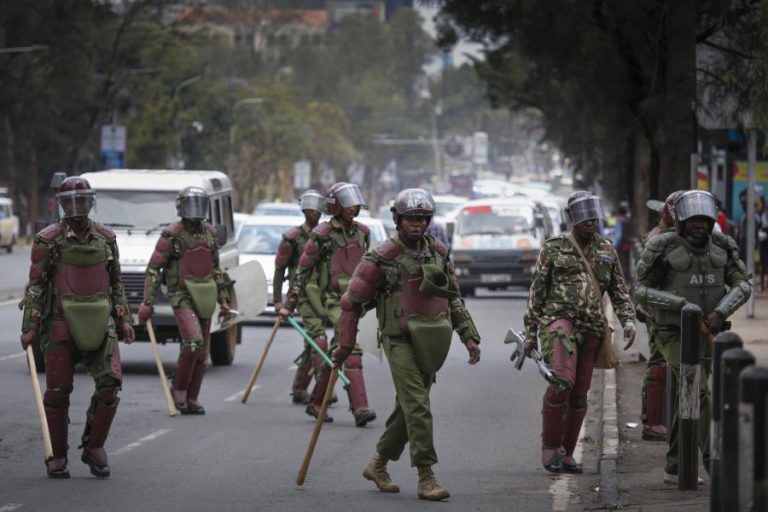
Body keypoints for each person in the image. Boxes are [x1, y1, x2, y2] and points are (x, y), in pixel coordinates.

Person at [332, 188, 481, 501]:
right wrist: (344, 345)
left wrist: (469, 336)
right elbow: (351, 303)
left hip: (432, 339)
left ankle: (378, 464)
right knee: (417, 404)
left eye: (422, 218)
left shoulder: (439, 253)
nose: (417, 224)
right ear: (398, 220)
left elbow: (453, 298)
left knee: (408, 408)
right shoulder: (382, 257)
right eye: (411, 218)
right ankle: (426, 476)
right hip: (398, 338)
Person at [19, 176, 136, 479]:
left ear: (90, 202)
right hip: (59, 322)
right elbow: (35, 286)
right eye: (71, 201)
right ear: (61, 204)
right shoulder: (48, 239)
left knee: (110, 384)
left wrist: (124, 320)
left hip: (101, 320)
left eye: (82, 200)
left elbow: (115, 283)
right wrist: (30, 326)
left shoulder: (106, 238)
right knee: (57, 392)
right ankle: (57, 456)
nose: (77, 206)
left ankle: (94, 446)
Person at [635, 189, 751, 484]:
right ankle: (717, 464)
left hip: (708, 333)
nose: (699, 224)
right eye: (693, 219)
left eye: (705, 219)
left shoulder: (723, 246)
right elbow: (641, 291)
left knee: (687, 399)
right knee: (697, 392)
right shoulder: (661, 247)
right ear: (681, 221)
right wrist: (680, 305)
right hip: (671, 333)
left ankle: (675, 467)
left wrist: (720, 312)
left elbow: (743, 285)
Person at [523, 191, 636, 473]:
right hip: (559, 322)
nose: (590, 220)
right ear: (572, 218)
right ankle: (550, 448)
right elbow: (537, 293)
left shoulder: (606, 250)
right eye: (583, 215)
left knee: (580, 393)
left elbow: (620, 292)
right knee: (562, 380)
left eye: (593, 214)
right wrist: (529, 333)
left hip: (592, 326)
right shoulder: (553, 248)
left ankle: (568, 452)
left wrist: (629, 322)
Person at [278, 182, 376, 426]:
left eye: (354, 203)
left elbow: (366, 268)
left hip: (355, 300)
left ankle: (316, 402)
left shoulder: (362, 232)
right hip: (331, 299)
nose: (352, 207)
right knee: (351, 349)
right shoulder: (321, 235)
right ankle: (360, 408)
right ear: (335, 205)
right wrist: (288, 302)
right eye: (347, 203)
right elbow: (302, 269)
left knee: (337, 353)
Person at [138, 186, 231, 415]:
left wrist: (224, 299)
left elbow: (216, 270)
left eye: (200, 203)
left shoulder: (210, 233)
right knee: (193, 342)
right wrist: (147, 303)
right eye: (191, 203)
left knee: (202, 351)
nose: (195, 209)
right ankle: (178, 388)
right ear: (180, 207)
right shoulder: (172, 234)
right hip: (181, 296)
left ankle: (192, 397)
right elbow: (153, 269)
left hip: (206, 295)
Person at [273, 189, 329, 404]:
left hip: (323, 293)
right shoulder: (292, 238)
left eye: (317, 207)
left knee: (311, 343)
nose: (313, 212)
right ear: (303, 209)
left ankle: (299, 388)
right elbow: (279, 269)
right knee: (318, 338)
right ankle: (322, 389)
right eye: (309, 207)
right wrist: (279, 301)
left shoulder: (327, 235)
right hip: (301, 294)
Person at [637, 190, 683, 442]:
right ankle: (653, 422)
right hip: (661, 312)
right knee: (659, 366)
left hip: (679, 311)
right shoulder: (658, 239)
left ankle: (667, 419)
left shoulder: (678, 236)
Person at [612, 200, 636, 286]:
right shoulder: (627, 219)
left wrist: (615, 245)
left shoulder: (619, 220)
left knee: (622, 264)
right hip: (628, 245)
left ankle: (624, 281)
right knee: (627, 262)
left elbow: (619, 235)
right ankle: (629, 280)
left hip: (621, 246)